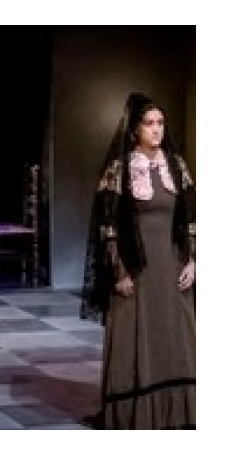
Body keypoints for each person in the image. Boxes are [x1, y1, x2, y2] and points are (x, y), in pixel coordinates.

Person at [80, 92, 195, 429]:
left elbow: (191, 219)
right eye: (149, 124)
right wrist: (119, 271)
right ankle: (135, 415)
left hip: (172, 268)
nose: (157, 129)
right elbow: (108, 227)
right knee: (133, 340)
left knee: (178, 338)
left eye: (161, 123)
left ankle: (180, 413)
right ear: (135, 130)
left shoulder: (177, 167)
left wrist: (193, 261)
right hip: (137, 270)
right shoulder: (121, 169)